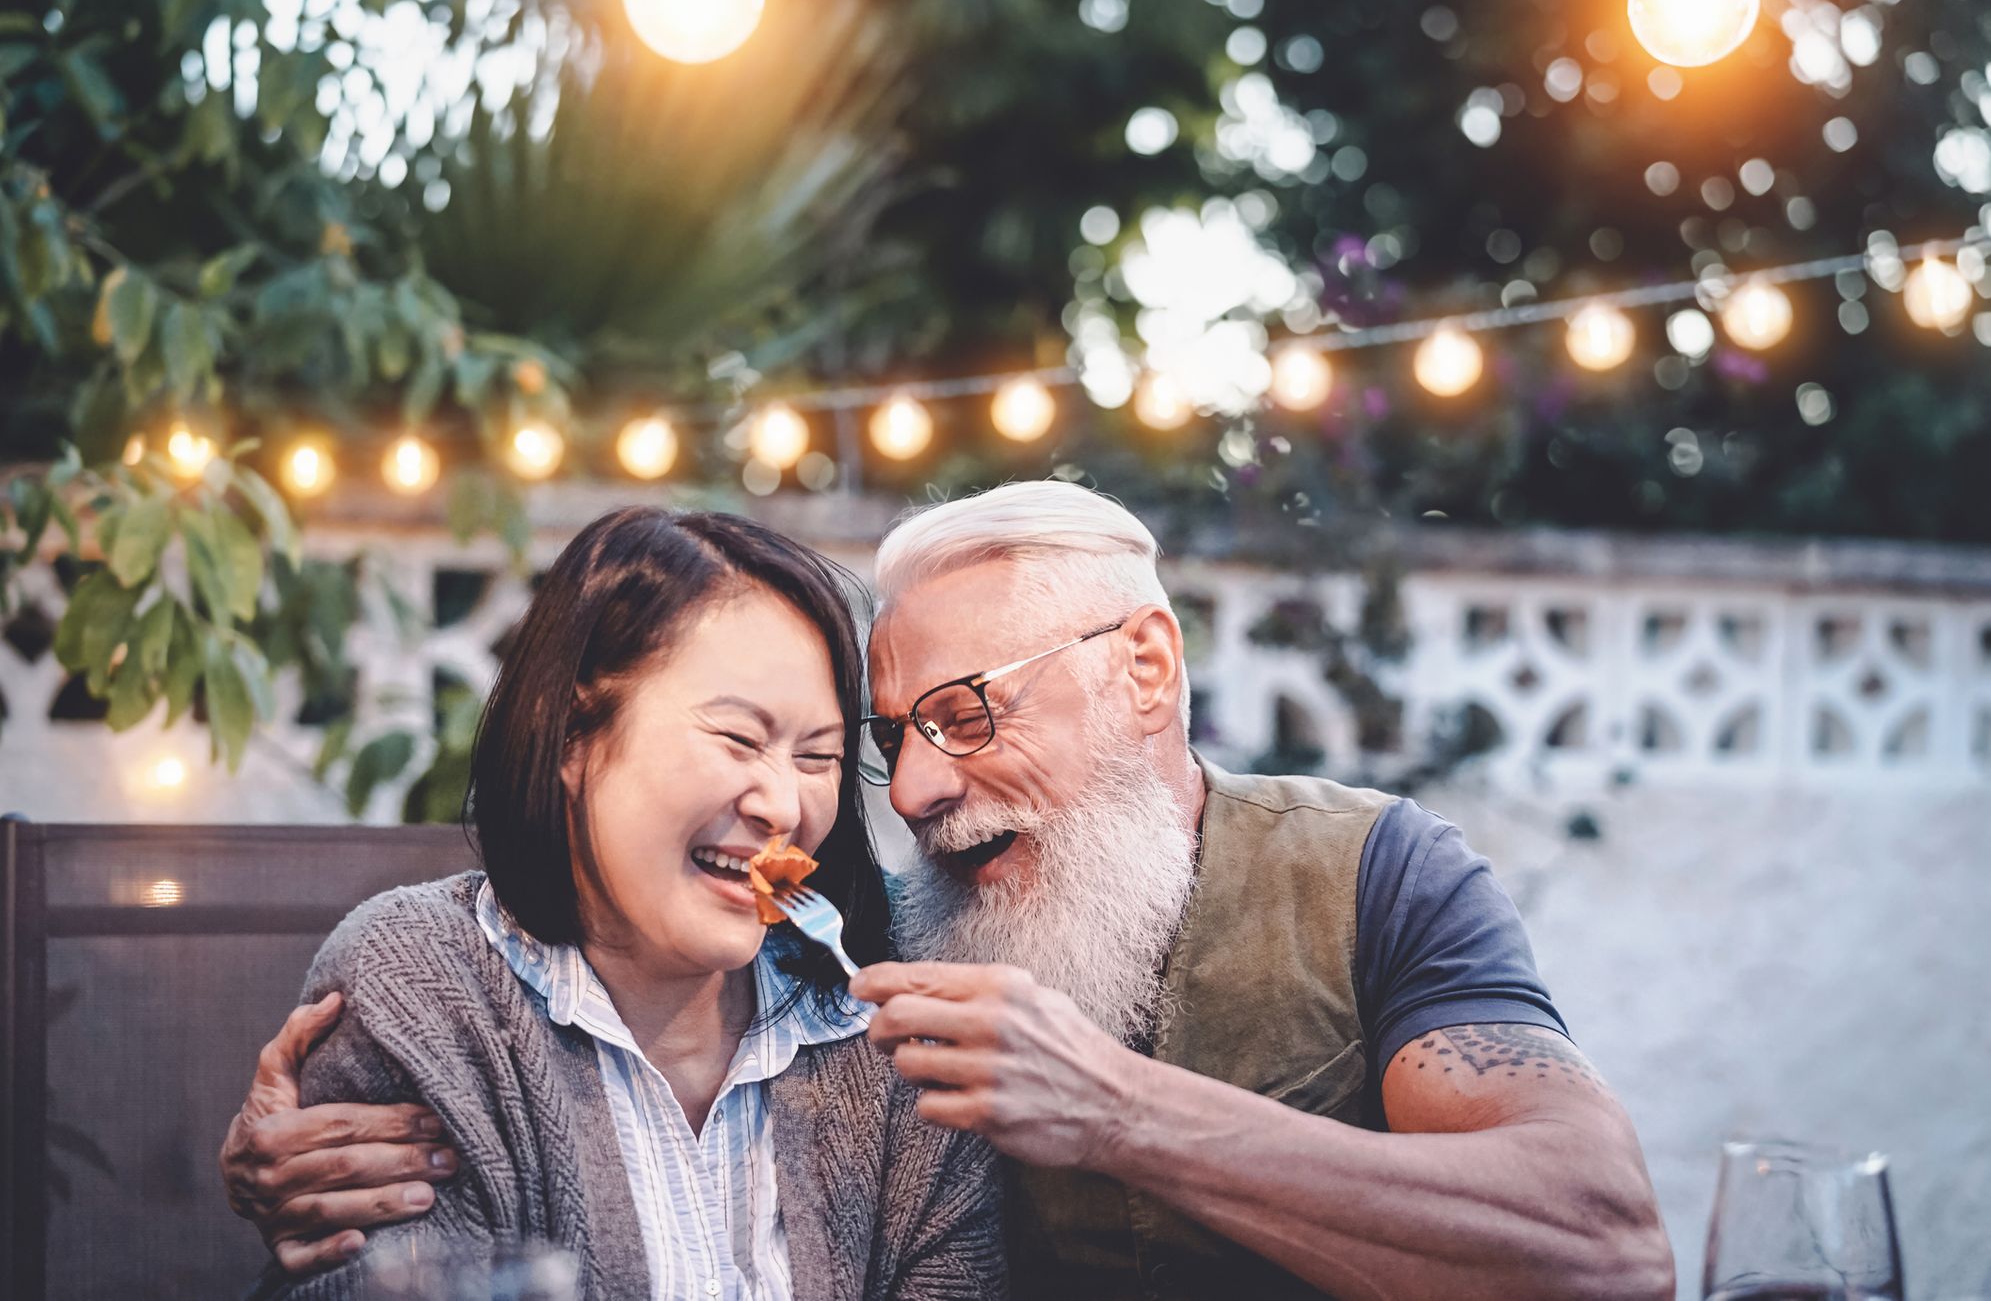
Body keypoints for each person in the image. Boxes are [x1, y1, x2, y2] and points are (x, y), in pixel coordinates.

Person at [224, 483, 1672, 1298]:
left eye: (966, 711)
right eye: (894, 737)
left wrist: (1112, 1107)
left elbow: (1602, 1245)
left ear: (1145, 670)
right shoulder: (882, 966)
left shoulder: (1374, 874)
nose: (905, 791)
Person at [232, 506, 1003, 1299]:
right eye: (738, 739)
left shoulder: (889, 1030)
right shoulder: (421, 986)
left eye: (819, 757)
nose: (783, 803)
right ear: (573, 735)